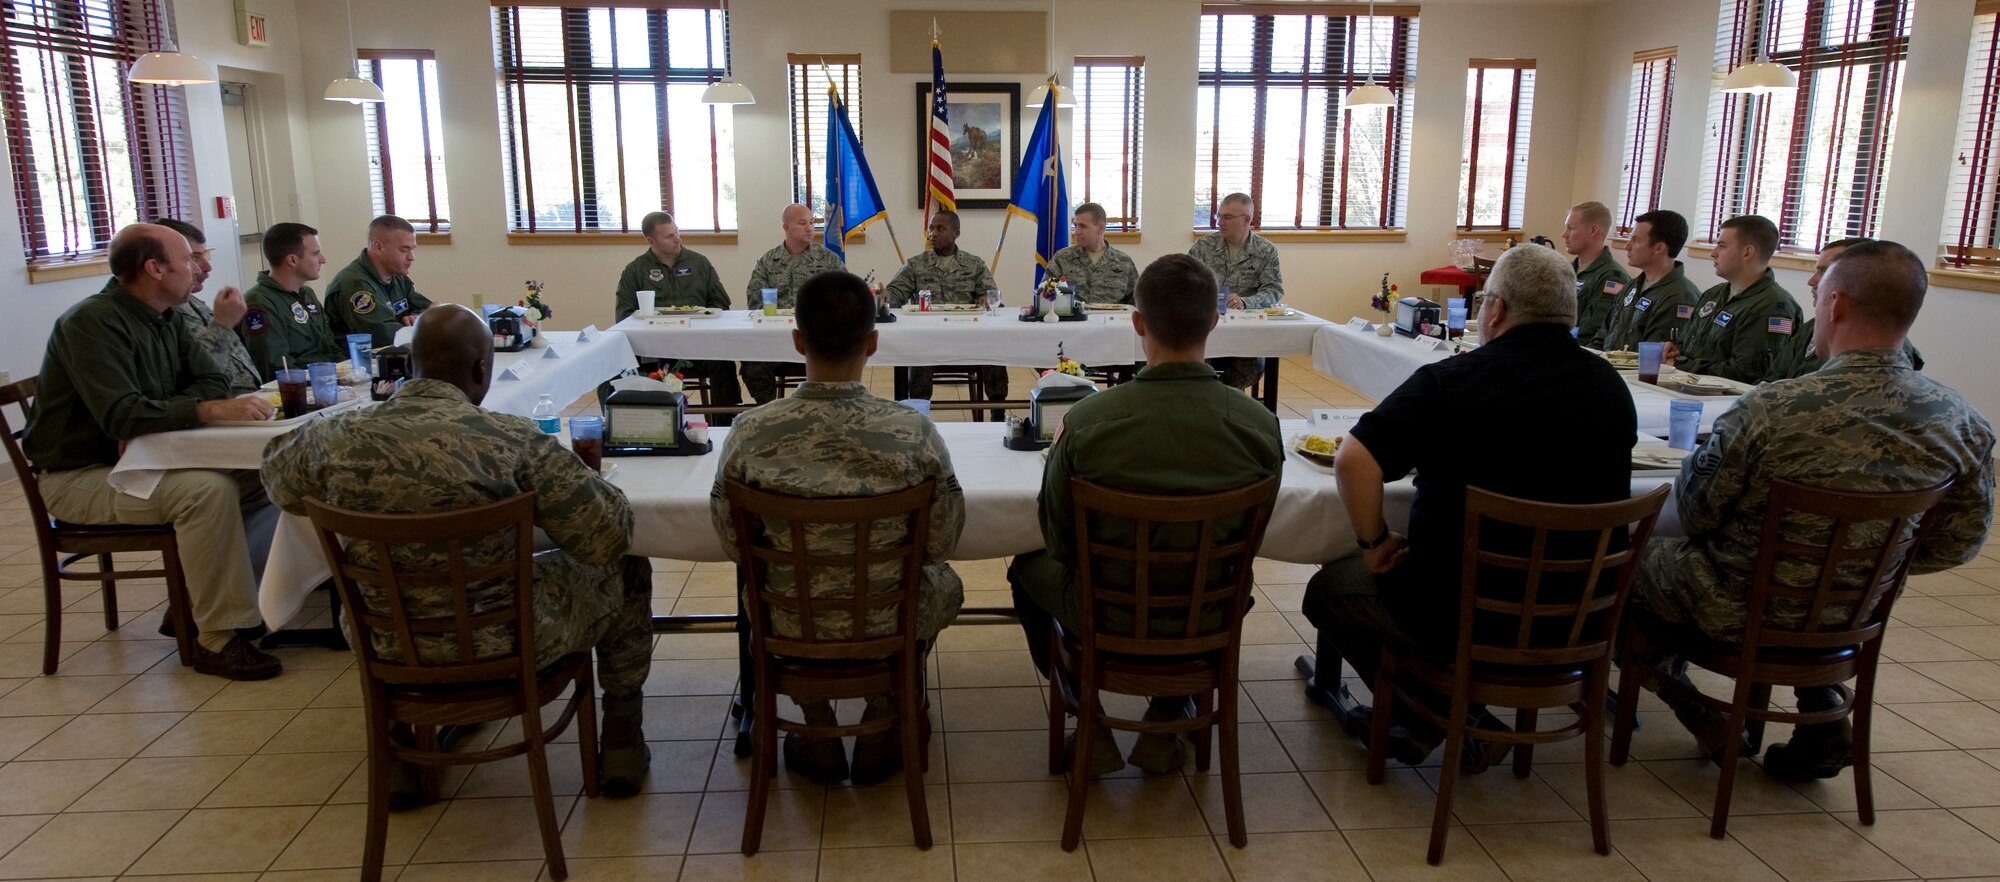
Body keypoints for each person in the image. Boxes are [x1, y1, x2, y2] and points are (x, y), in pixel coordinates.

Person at [1630, 240, 1994, 779]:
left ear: (1837, 306)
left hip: (1737, 604)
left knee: (1611, 561)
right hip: (1853, 610)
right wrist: (1865, 562)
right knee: (1794, 591)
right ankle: (1820, 714)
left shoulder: (1769, 410)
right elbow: (1959, 542)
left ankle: (1691, 703)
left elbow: (1695, 514)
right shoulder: (1961, 421)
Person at [263, 304, 655, 798]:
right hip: (505, 638)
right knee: (627, 568)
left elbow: (279, 484)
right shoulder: (513, 442)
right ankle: (620, 736)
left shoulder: (331, 438)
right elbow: (605, 538)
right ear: (481, 369)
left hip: (387, 638)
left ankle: (398, 749)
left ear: (409, 365)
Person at [1301, 244, 1636, 769]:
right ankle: (1433, 718)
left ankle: (1451, 717)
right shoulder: (1611, 387)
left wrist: (1374, 544)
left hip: (1464, 614)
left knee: (1329, 592)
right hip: (1578, 617)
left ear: (1495, 310)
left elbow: (1353, 462)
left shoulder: (1452, 382)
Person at [1009, 253, 1284, 776]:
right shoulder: (1258, 425)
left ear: (1138, 324)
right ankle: (1169, 711)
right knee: (1229, 583)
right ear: (1215, 322)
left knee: (1027, 568)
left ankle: (1092, 720)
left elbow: (1060, 542)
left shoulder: (1089, 421)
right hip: (1208, 612)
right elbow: (1256, 533)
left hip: (1105, 611)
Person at [710, 269, 966, 785]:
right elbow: (941, 540)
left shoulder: (750, 433)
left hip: (789, 622)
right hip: (889, 621)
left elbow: (734, 542)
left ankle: (817, 724)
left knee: (763, 588)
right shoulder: (912, 431)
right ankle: (878, 720)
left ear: (797, 340)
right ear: (873, 343)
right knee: (945, 585)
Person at [23, 224, 281, 680]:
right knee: (205, 490)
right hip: (79, 476)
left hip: (143, 459)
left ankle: (194, 603)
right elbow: (122, 415)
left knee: (269, 472)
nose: (200, 268)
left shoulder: (164, 317)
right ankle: (219, 637)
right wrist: (198, 409)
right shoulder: (92, 323)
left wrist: (177, 410)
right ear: (154, 268)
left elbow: (213, 382)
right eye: (189, 260)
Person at [612, 211, 742, 421]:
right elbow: (624, 314)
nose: (678, 239)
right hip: (653, 349)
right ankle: (635, 423)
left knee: (723, 363)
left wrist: (704, 317)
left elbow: (721, 303)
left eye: (677, 232)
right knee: (615, 367)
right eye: (669, 236)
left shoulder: (699, 263)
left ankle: (725, 424)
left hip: (698, 345)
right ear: (651, 240)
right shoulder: (635, 270)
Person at [883, 210, 1008, 414]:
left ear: (956, 233)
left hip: (969, 337)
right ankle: (918, 412)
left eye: (940, 229)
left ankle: (998, 409)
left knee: (993, 347)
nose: (933, 233)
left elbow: (991, 295)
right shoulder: (916, 264)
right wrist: (884, 297)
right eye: (931, 228)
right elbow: (896, 292)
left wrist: (984, 299)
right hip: (929, 337)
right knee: (918, 354)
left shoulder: (974, 264)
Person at [1663, 214, 1803, 383]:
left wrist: (1681, 364)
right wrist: (1675, 350)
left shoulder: (1772, 306)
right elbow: (1690, 347)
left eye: (1721, 246)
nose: (1713, 253)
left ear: (1747, 252)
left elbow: (1746, 373)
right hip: (1687, 386)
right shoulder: (1713, 295)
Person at [1761, 238, 1924, 382]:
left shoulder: (1887, 348)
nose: (1812, 281)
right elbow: (1773, 378)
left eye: (1826, 272)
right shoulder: (1812, 328)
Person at [740, 203, 844, 404]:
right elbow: (755, 301)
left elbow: (844, 297)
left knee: (838, 361)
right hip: (775, 339)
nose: (810, 228)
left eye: (812, 223)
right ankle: (769, 411)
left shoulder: (828, 260)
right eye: (802, 223)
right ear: (786, 227)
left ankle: (820, 410)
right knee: (752, 362)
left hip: (816, 339)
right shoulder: (768, 261)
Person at [1189, 192, 1284, 390]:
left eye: (1227, 217)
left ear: (1247, 219)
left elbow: (1273, 289)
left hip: (1246, 333)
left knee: (1253, 365)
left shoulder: (1265, 250)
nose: (1220, 222)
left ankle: (1222, 397)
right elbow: (1185, 283)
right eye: (1219, 216)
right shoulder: (1203, 247)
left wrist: (1246, 302)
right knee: (1194, 363)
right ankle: (1208, 396)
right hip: (1207, 330)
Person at [155, 217, 261, 395]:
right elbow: (197, 376)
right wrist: (223, 324)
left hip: (250, 400)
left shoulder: (192, 302)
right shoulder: (161, 313)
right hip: (216, 410)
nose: (205, 267)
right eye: (193, 258)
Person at [242, 221, 344, 382]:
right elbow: (276, 367)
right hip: (301, 390)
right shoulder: (259, 304)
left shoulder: (307, 294)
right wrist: (327, 380)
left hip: (330, 381)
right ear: (292, 260)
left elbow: (330, 346)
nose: (323, 260)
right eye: (315, 253)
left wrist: (349, 373)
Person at [1596, 209, 1700, 352]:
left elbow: (1654, 357)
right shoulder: (1631, 287)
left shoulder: (1680, 297)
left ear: (1658, 248)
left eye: (1635, 240)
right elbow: (1602, 337)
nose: (1627, 247)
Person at [325, 214, 432, 347]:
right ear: (378, 247)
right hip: (359, 362)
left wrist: (416, 318)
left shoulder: (397, 277)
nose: (411, 257)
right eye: (404, 250)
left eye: (412, 249)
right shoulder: (355, 284)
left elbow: (430, 309)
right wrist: (420, 326)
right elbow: (381, 336)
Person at [1562, 201, 1631, 343]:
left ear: (1593, 230)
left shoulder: (1611, 277)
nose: (1564, 235)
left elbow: (1592, 332)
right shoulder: (1566, 270)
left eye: (1571, 228)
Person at [1048, 202, 1139, 306]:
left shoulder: (1124, 262)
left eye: (1082, 226)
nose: (1076, 232)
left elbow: (1137, 302)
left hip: (1112, 321)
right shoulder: (1062, 258)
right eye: (1075, 225)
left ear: (1100, 228)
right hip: (1074, 321)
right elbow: (1045, 295)